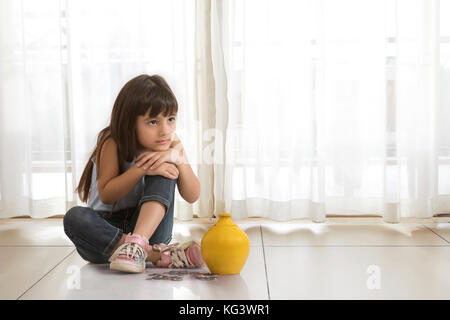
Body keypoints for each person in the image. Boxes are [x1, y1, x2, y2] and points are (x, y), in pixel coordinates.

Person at [63, 74, 203, 273]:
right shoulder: (112, 141)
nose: (165, 130)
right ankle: (154, 255)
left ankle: (137, 246)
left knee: (166, 171)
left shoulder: (170, 143)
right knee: (74, 217)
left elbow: (193, 195)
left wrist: (179, 158)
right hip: (105, 233)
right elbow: (107, 194)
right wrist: (142, 169)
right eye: (153, 122)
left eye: (171, 119)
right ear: (130, 123)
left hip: (151, 232)